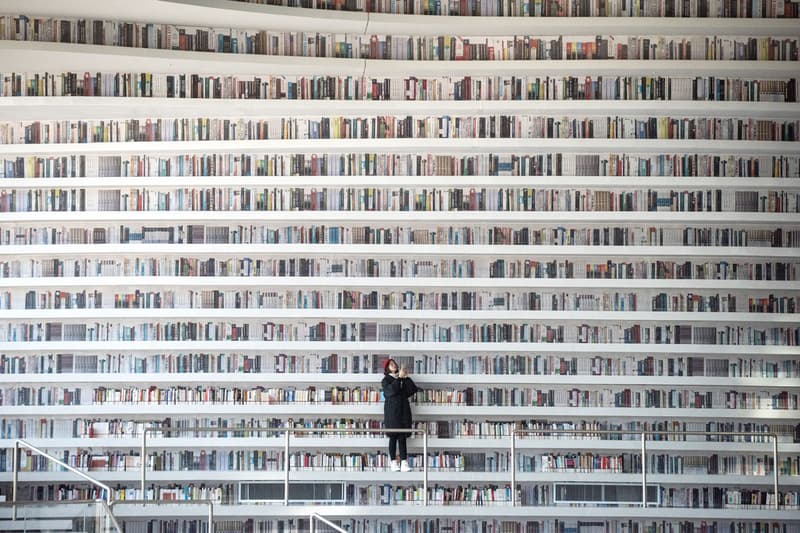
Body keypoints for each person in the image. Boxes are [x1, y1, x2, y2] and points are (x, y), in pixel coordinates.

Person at [382, 358, 419, 472]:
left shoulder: (402, 378)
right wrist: (399, 379)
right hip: (392, 412)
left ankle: (404, 462)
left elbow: (412, 390)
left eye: (394, 363)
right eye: (390, 364)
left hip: (403, 411)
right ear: (387, 368)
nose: (393, 365)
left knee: (402, 437)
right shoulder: (386, 380)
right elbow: (390, 392)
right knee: (393, 437)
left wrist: (406, 378)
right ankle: (393, 462)